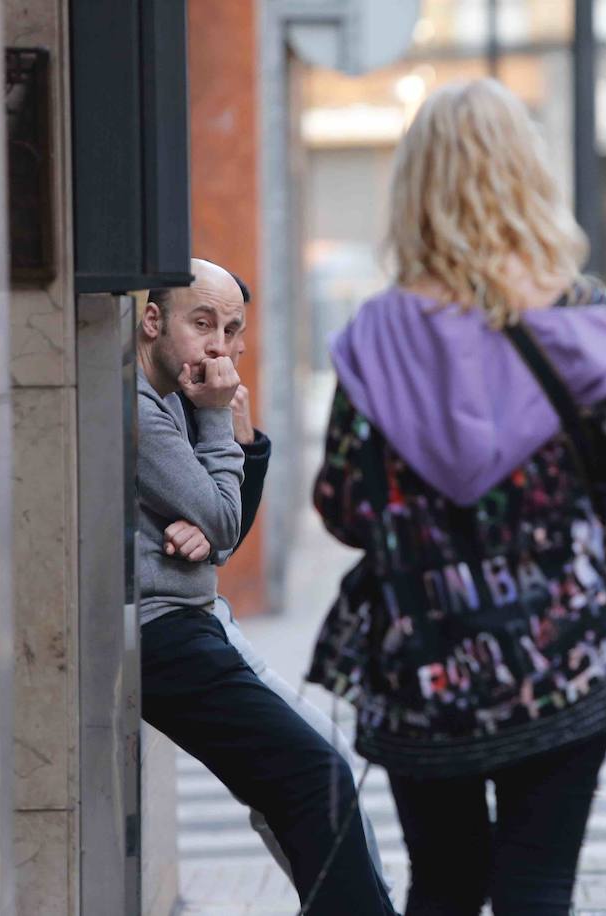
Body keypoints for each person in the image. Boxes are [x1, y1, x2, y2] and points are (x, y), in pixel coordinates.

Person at [308, 78, 606, 915]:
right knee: (538, 885)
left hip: (422, 664)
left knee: (444, 884)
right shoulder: (590, 323)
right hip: (564, 654)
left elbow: (345, 505)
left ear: (414, 190)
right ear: (528, 177)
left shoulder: (374, 336)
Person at [136, 258, 395, 915]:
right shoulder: (140, 406)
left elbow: (220, 532)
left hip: (196, 617)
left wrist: (227, 468)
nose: (220, 347)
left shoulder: (179, 394)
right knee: (313, 776)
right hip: (161, 632)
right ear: (151, 320)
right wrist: (228, 429)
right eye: (203, 324)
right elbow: (222, 518)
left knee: (319, 768)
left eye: (232, 329)